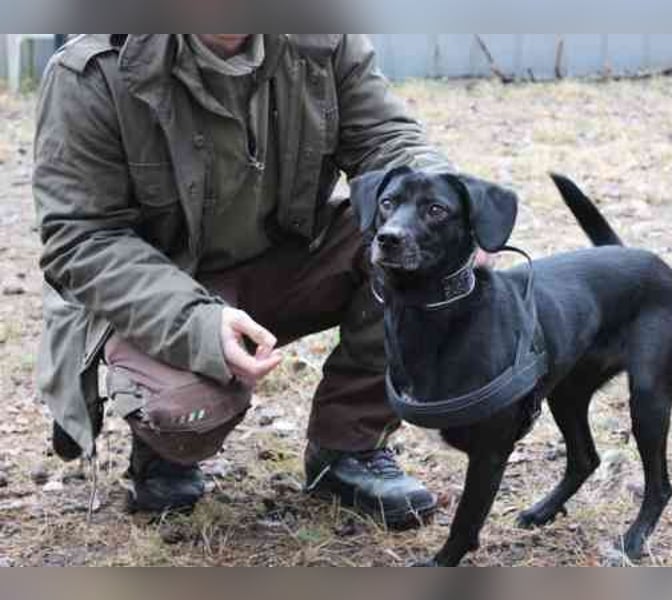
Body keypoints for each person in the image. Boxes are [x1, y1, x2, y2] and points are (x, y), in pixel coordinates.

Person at [33, 34, 451, 527]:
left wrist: (446, 200)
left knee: (424, 253)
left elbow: (387, 141)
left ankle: (348, 448)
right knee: (184, 412)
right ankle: (162, 451)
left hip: (287, 263)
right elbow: (82, 239)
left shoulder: (321, 40)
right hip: (165, 289)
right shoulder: (95, 70)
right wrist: (199, 327)